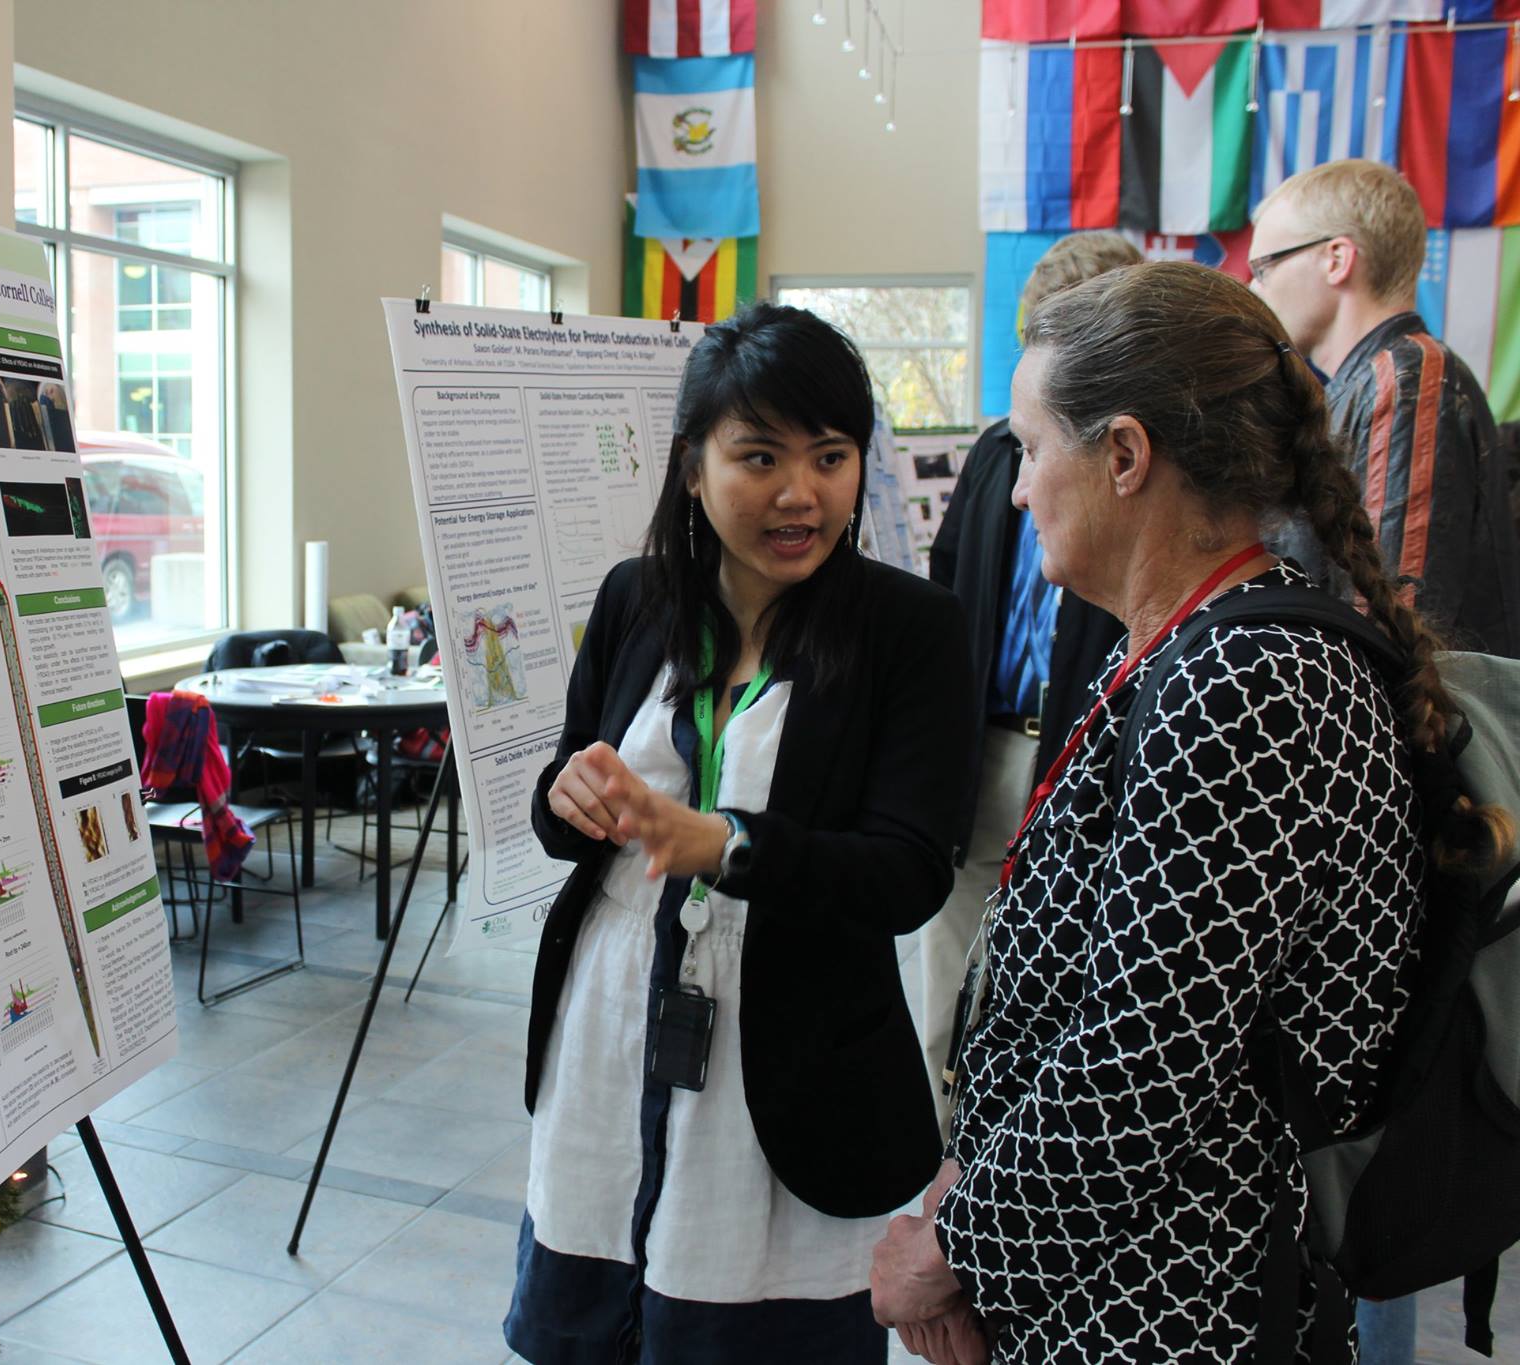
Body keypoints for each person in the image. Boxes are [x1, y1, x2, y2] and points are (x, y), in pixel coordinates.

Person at [867, 261, 1509, 1362]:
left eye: (1028, 448)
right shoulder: (1187, 646)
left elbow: (1141, 1060)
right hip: (1101, 1273)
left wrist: (955, 1248)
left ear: (1123, 455)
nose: (1012, 490)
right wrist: (965, 1181)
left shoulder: (1249, 683)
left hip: (1181, 1306)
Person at [505, 302, 975, 1363]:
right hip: (613, 1023)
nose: (798, 493)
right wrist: (566, 797)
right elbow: (566, 796)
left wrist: (727, 844)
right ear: (690, 466)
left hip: (789, 1063)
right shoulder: (636, 601)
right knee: (594, 1318)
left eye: (829, 455)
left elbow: (908, 871)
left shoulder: (909, 630)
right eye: (756, 455)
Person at [924, 232, 1135, 1134]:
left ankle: (1015, 1156)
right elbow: (944, 587)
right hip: (980, 751)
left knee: (1054, 972)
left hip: (1081, 758)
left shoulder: (1135, 470)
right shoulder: (990, 456)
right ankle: (940, 1150)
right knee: (943, 966)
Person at [1250, 157, 1520, 659]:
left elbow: (1392, 619)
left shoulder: (1405, 379)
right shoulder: (1375, 381)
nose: (1254, 288)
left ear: (1336, 259)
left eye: (1264, 267)